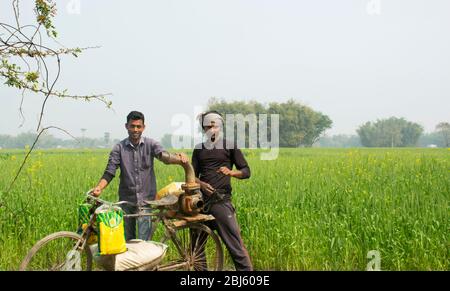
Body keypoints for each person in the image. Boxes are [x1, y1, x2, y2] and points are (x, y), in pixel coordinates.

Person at [92, 110, 188, 241]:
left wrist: (177, 157)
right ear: (126, 126)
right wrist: (99, 188)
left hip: (146, 201)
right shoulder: (119, 148)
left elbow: (164, 156)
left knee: (144, 242)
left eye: (138, 126)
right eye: (132, 126)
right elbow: (110, 171)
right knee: (127, 241)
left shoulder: (151, 144)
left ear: (144, 127)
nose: (135, 129)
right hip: (126, 201)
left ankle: (148, 262)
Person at [192, 110, 253, 271]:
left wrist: (231, 172)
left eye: (215, 126)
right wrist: (202, 184)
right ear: (204, 129)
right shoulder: (199, 149)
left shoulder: (230, 146)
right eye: (208, 127)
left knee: (235, 246)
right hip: (201, 203)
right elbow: (192, 176)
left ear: (220, 126)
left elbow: (246, 171)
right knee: (196, 248)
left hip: (221, 202)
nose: (212, 129)